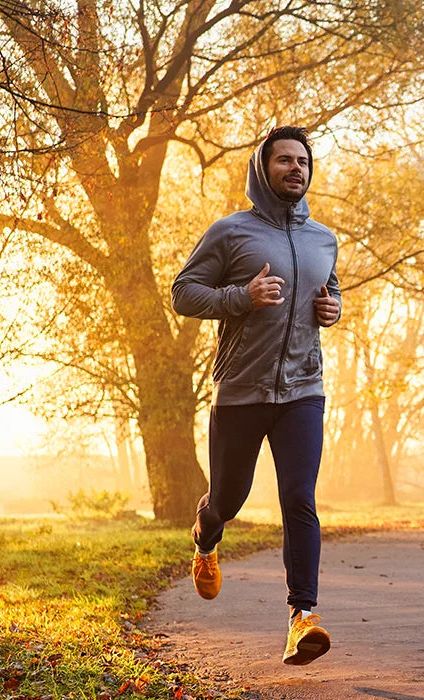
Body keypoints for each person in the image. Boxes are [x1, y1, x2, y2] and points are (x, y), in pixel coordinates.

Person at [171, 125, 341, 667]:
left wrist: (333, 308)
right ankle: (205, 536)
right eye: (285, 160)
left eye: (303, 162)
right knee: (229, 498)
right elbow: (183, 292)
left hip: (303, 390)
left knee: (299, 498)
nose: (296, 169)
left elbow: (327, 290)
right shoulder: (231, 232)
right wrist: (241, 297)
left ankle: (302, 618)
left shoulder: (323, 238)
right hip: (241, 390)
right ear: (262, 169)